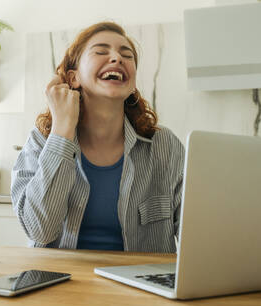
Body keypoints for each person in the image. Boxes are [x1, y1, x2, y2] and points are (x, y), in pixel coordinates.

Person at [11, 22, 184, 253]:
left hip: (142, 286)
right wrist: (62, 131)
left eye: (127, 55)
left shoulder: (165, 145)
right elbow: (40, 231)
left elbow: (197, 234)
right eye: (101, 51)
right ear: (73, 78)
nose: (116, 58)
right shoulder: (40, 142)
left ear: (132, 83)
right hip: (61, 283)